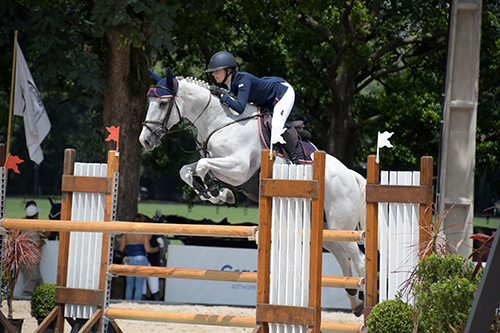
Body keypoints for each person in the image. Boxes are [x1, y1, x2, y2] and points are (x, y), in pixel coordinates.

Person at [205, 51, 300, 164]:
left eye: (217, 71)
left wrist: (221, 95)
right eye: (213, 71)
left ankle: (295, 161)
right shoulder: (224, 84)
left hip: (281, 93)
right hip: (265, 100)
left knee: (277, 126)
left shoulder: (242, 80)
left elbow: (240, 108)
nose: (213, 74)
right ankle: (298, 132)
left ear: (228, 70)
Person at [119, 214, 159, 300]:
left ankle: (127, 303)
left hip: (129, 259)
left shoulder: (126, 234)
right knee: (139, 286)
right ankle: (136, 304)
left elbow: (121, 248)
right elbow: (148, 249)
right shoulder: (143, 234)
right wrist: (156, 249)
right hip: (141, 258)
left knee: (129, 286)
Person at [21, 201, 45, 296]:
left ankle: (42, 296)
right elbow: (38, 241)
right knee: (31, 279)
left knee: (38, 280)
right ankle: (24, 298)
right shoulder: (31, 226)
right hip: (30, 260)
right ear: (36, 216)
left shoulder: (22, 224)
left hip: (31, 260)